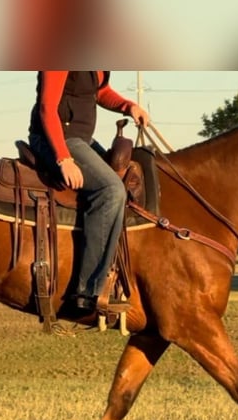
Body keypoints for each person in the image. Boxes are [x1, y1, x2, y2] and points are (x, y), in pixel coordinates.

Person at [28, 71, 149, 314]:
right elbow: (47, 108)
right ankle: (86, 291)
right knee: (111, 190)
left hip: (81, 139)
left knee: (125, 178)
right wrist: (64, 159)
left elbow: (100, 91)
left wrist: (128, 106)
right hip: (56, 139)